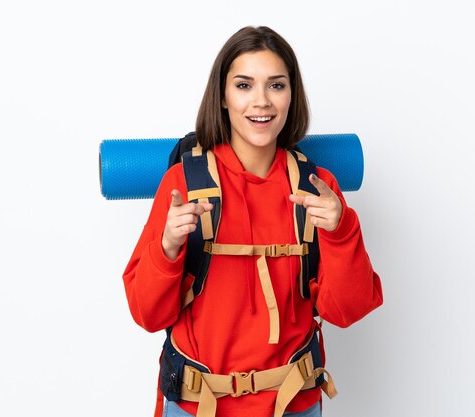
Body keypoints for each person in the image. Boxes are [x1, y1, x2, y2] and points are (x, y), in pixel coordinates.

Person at [122, 26, 383, 417]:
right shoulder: (183, 185)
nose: (261, 101)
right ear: (223, 97)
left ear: (292, 96)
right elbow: (148, 314)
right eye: (244, 85)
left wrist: (340, 230)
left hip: (291, 403)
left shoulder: (317, 188)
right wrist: (168, 247)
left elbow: (345, 311)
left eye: (276, 86)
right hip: (198, 405)